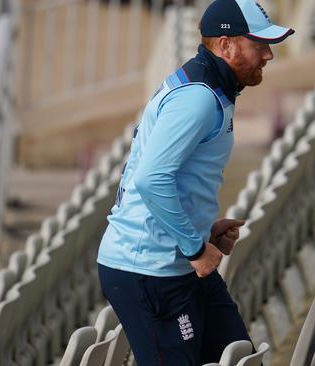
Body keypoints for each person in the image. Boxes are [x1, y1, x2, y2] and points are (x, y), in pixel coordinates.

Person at [97, 0, 294, 364]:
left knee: (240, 358)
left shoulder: (214, 86)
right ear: (226, 45)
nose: (268, 55)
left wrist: (202, 232)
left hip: (178, 262)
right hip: (148, 270)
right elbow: (151, 179)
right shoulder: (199, 98)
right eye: (259, 45)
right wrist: (195, 248)